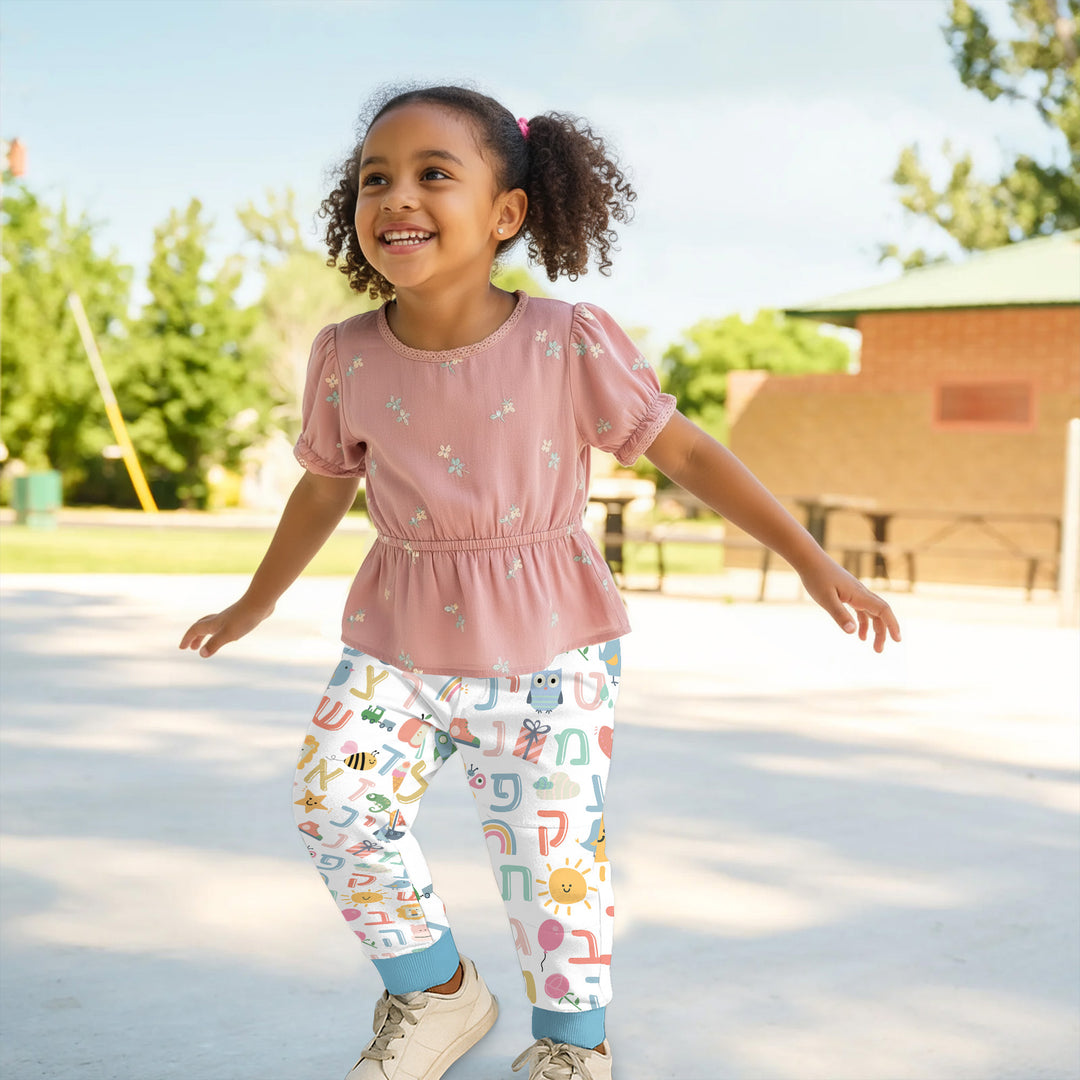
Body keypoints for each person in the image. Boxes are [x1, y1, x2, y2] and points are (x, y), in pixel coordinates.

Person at [180, 84, 901, 1080]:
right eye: (374, 179)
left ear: (506, 213)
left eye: (435, 174)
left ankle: (571, 1051)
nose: (398, 197)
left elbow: (685, 453)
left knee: (548, 866)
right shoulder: (344, 354)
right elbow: (322, 486)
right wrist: (255, 601)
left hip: (548, 645)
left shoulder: (568, 339)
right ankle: (436, 993)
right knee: (333, 803)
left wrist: (812, 561)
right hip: (396, 632)